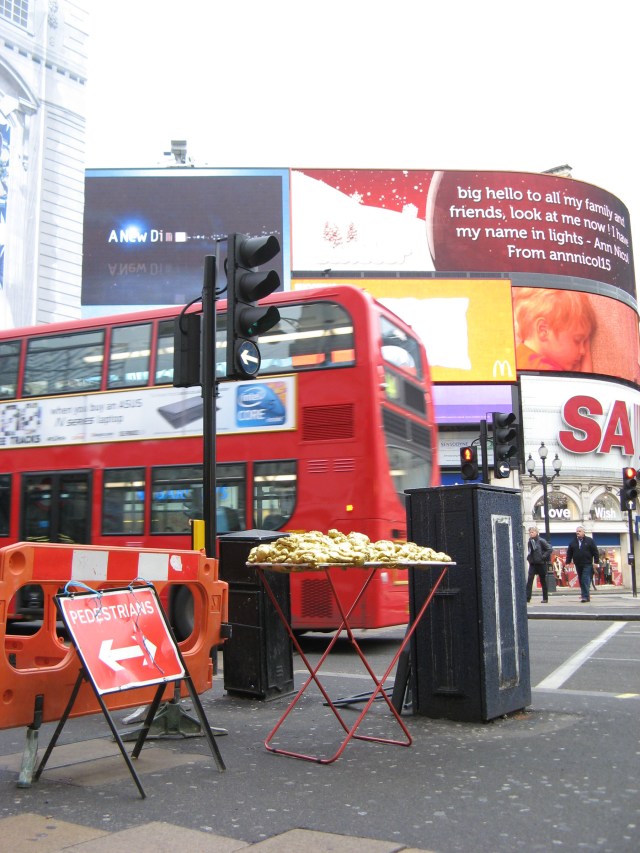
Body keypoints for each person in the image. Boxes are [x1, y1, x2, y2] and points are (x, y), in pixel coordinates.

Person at [513, 288, 597, 372]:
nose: (583, 351)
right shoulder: (547, 371)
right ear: (543, 330)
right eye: (577, 340)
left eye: (584, 342)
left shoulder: (514, 358)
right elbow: (585, 384)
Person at [565, 525, 600, 602]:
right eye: (577, 531)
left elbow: (595, 552)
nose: (578, 533)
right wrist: (567, 562)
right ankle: (586, 596)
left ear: (584, 532)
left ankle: (585, 596)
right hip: (578, 564)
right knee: (581, 580)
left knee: (585, 579)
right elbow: (569, 553)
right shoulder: (573, 542)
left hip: (587, 563)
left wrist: (596, 562)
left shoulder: (589, 541)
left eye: (579, 531)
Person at [526, 525, 553, 603]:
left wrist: (543, 557)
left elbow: (549, 549)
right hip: (533, 564)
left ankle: (545, 598)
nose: (531, 534)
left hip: (541, 563)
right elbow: (530, 551)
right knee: (530, 580)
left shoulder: (541, 541)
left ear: (536, 532)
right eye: (530, 532)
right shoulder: (530, 541)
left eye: (532, 532)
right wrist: (529, 558)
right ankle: (527, 597)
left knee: (542, 581)